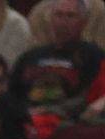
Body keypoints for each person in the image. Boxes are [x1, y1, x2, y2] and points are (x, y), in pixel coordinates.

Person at [14, 0, 105, 129]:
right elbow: (12, 93)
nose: (63, 22)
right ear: (51, 20)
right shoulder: (29, 56)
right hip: (24, 121)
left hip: (66, 124)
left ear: (84, 23)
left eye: (70, 16)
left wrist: (49, 111)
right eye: (59, 15)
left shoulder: (93, 56)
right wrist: (23, 113)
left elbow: (88, 97)